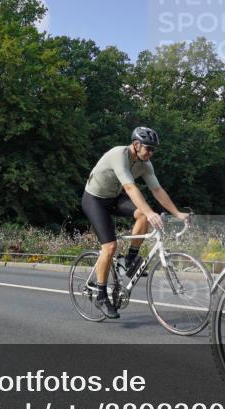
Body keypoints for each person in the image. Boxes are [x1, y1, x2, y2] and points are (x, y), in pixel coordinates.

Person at [81, 127, 189, 319]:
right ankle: (101, 295)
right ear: (136, 144)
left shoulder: (145, 164)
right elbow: (130, 187)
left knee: (142, 215)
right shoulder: (118, 154)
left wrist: (177, 213)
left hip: (114, 198)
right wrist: (150, 212)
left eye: (154, 150)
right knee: (110, 246)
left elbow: (157, 190)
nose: (151, 153)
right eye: (148, 148)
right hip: (94, 199)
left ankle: (130, 259)